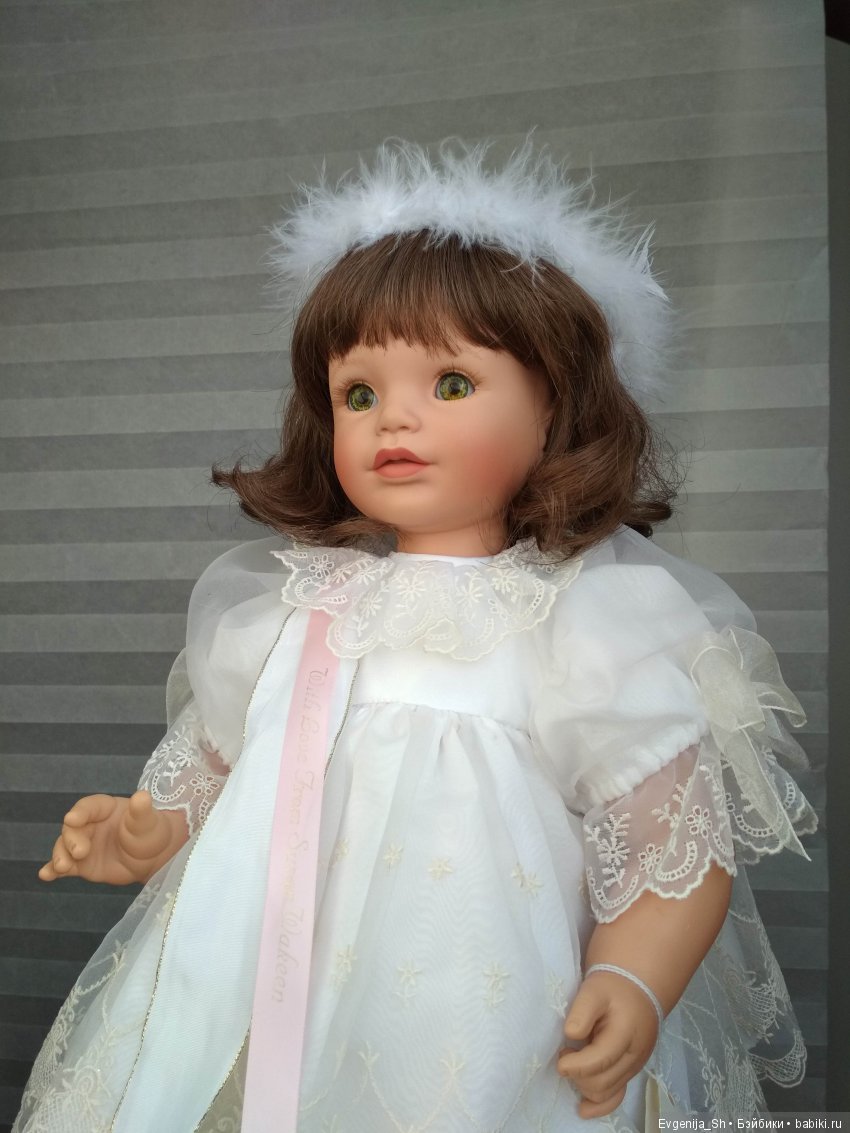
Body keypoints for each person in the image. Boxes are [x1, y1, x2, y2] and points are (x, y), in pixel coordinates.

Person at [15, 140, 816, 1133]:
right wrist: (149, 827)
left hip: (475, 1017)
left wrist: (634, 975)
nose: (393, 418)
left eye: (450, 384)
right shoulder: (293, 607)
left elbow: (670, 846)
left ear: (555, 407)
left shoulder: (580, 622)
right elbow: (224, 758)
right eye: (359, 394)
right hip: (266, 989)